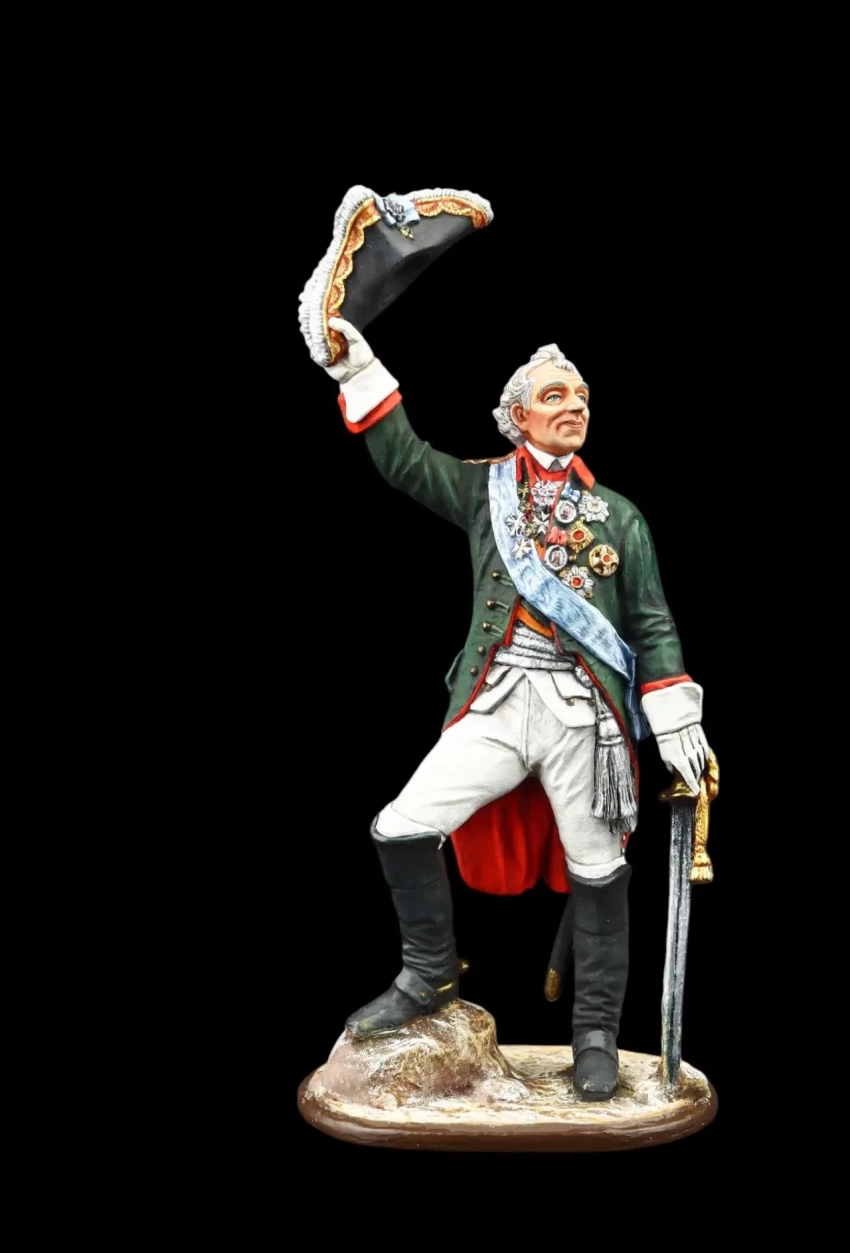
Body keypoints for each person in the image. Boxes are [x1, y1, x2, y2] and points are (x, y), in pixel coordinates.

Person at [320, 315, 710, 1101]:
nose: (574, 406)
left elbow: (652, 623)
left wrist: (677, 719)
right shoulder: (485, 489)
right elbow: (403, 459)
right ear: (519, 415)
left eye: (582, 395)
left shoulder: (619, 516)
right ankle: (429, 973)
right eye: (556, 395)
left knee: (600, 870)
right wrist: (357, 369)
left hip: (584, 715)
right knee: (402, 825)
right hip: (497, 699)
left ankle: (595, 1033)